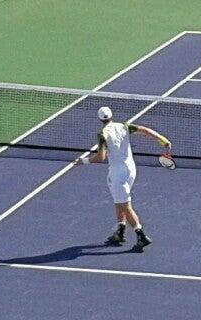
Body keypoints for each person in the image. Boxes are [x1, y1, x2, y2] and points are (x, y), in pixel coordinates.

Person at [73, 106, 172, 252]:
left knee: (126, 205)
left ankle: (141, 235)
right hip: (131, 170)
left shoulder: (102, 134)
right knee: (119, 201)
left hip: (117, 174)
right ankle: (120, 231)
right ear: (111, 116)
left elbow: (101, 157)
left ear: (100, 119)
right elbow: (144, 130)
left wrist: (84, 161)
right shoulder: (124, 126)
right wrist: (163, 140)